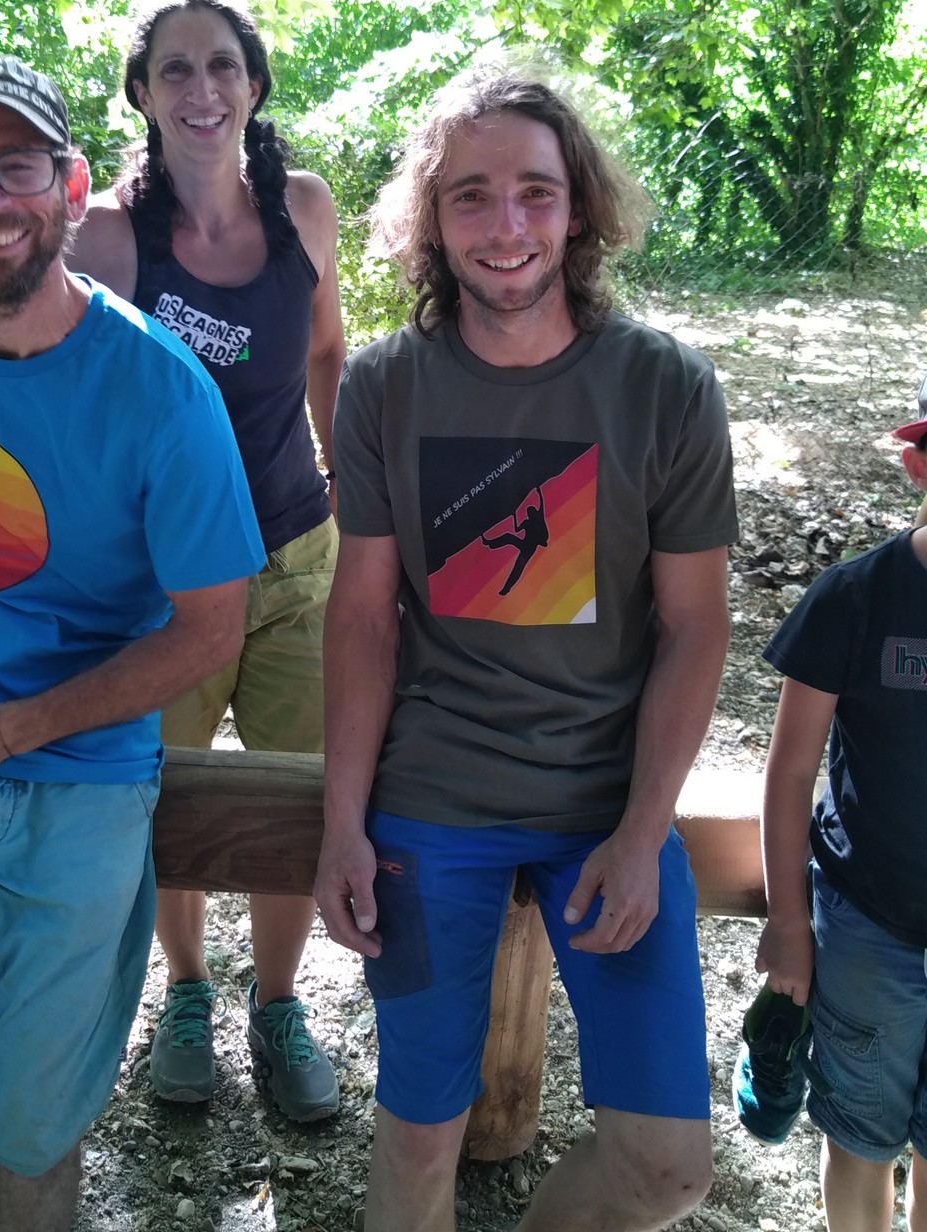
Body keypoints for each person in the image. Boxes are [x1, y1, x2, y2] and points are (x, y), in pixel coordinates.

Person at [0, 52, 265, 1232]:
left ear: (72, 186)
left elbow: (212, 629)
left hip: (80, 777)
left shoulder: (163, 390)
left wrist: (5, 732)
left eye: (17, 166)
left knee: (34, 1136)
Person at [314, 68, 738, 1232]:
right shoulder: (383, 385)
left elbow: (697, 625)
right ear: (431, 218)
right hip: (433, 801)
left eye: (536, 193)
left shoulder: (664, 386)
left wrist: (644, 831)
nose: (505, 225)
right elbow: (361, 617)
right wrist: (342, 823)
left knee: (667, 1170)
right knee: (416, 1140)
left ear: (580, 207)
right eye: (471, 195)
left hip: (607, 804)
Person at [73, 0, 345, 1123]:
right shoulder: (108, 236)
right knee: (166, 793)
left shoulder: (305, 208)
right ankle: (185, 991)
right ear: (141, 92)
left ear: (255, 83)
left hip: (297, 558)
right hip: (164, 579)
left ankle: (277, 1003)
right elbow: (83, 418)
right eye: (175, 68)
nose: (202, 88)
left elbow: (327, 351)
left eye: (222, 64)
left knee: (302, 794)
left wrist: (352, 483)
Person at [741, 398, 927, 1231]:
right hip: (867, 933)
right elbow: (789, 771)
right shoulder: (855, 598)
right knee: (860, 1139)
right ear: (918, 465)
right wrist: (789, 922)